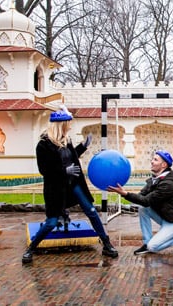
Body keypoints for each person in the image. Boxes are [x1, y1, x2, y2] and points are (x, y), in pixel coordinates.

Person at [23, 106, 118, 264]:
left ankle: (107, 244)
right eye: (68, 122)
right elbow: (44, 170)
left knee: (92, 211)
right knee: (52, 222)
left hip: (74, 184)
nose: (71, 125)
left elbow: (71, 157)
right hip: (56, 188)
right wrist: (63, 171)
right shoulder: (43, 145)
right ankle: (31, 249)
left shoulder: (66, 141)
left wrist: (83, 146)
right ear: (61, 124)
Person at [107, 150, 173, 255]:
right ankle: (146, 243)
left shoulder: (167, 184)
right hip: (166, 218)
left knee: (153, 247)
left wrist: (125, 193)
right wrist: (124, 192)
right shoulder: (154, 180)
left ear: (164, 165)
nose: (152, 161)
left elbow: (146, 201)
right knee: (143, 209)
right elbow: (141, 197)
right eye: (153, 159)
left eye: (155, 160)